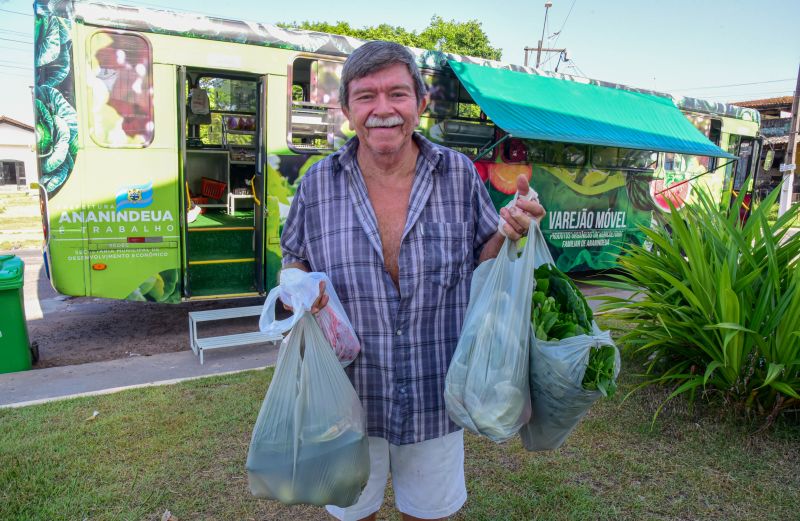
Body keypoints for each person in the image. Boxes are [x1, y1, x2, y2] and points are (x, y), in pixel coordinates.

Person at [280, 40, 545, 521]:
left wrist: (509, 230)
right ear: (346, 109)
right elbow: (294, 257)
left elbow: (483, 257)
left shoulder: (457, 174)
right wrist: (298, 289)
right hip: (348, 396)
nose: (383, 110)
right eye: (366, 96)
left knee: (429, 515)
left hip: (434, 390)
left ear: (420, 104)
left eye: (398, 94)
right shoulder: (317, 185)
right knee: (352, 513)